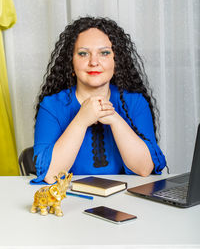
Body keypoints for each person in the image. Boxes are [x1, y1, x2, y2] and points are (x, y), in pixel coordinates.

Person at [31, 16, 166, 184]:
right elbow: (51, 175)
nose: (93, 62)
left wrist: (115, 120)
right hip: (70, 202)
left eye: (104, 53)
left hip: (128, 201)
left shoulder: (135, 102)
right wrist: (81, 120)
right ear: (71, 64)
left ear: (116, 62)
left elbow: (144, 169)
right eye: (83, 54)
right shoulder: (51, 106)